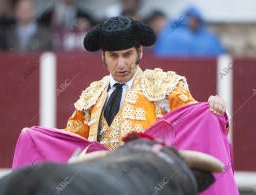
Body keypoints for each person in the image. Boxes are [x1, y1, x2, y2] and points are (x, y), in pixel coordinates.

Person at [64, 16, 226, 149]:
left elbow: (196, 123)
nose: (121, 64)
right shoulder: (92, 95)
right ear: (103, 57)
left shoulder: (164, 86)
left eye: (127, 55)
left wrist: (213, 110)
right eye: (113, 56)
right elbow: (69, 142)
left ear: (140, 52)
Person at [154, 6, 226, 57]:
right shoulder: (171, 33)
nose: (192, 22)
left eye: (195, 20)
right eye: (190, 18)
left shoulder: (209, 39)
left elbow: (220, 55)